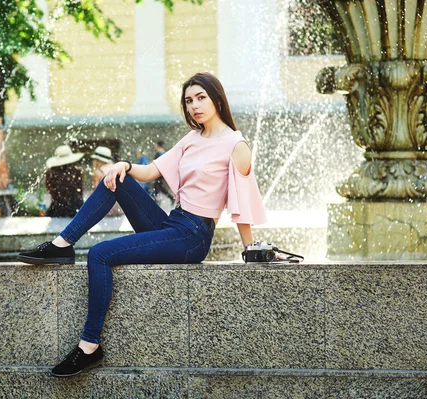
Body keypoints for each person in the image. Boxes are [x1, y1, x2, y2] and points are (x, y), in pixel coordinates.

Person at [17, 72, 267, 378]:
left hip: (193, 236)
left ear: (217, 98)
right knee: (116, 180)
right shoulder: (192, 139)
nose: (194, 106)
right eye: (189, 101)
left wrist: (250, 247)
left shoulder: (235, 145)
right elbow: (150, 172)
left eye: (201, 98)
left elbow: (243, 204)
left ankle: (89, 347)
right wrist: (123, 165)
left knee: (99, 254)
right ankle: (61, 244)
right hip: (172, 224)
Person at [44, 145, 84, 217]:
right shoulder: (77, 172)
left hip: (56, 208)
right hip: (76, 207)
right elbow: (80, 191)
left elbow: (50, 190)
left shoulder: (50, 173)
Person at [90, 146, 124, 217]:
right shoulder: (115, 168)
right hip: (120, 207)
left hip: (105, 209)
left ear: (97, 160)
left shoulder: (99, 172)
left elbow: (96, 191)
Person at [152, 140, 176, 205]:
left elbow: (156, 164)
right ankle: (170, 198)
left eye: (155, 145)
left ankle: (156, 202)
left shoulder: (158, 154)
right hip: (162, 173)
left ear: (158, 145)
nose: (154, 146)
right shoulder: (164, 153)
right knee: (161, 188)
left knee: (156, 188)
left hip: (158, 174)